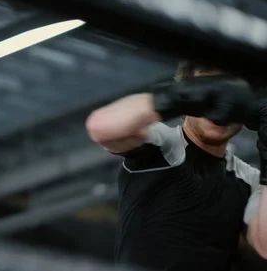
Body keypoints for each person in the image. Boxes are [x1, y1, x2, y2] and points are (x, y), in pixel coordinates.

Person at [85, 61, 267, 271]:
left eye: (234, 97)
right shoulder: (164, 144)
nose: (221, 107)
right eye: (211, 95)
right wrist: (177, 97)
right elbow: (100, 127)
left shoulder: (250, 179)